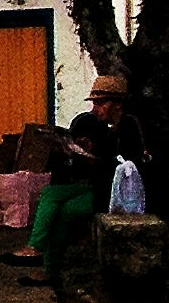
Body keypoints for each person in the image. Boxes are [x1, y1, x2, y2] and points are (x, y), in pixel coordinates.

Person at [25, 74, 151, 287]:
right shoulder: (103, 128)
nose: (96, 109)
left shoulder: (129, 127)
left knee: (63, 212)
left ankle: (48, 267)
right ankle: (35, 249)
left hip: (113, 195)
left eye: (101, 103)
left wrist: (91, 159)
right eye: (94, 103)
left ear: (117, 104)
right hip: (98, 185)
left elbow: (128, 167)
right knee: (50, 194)